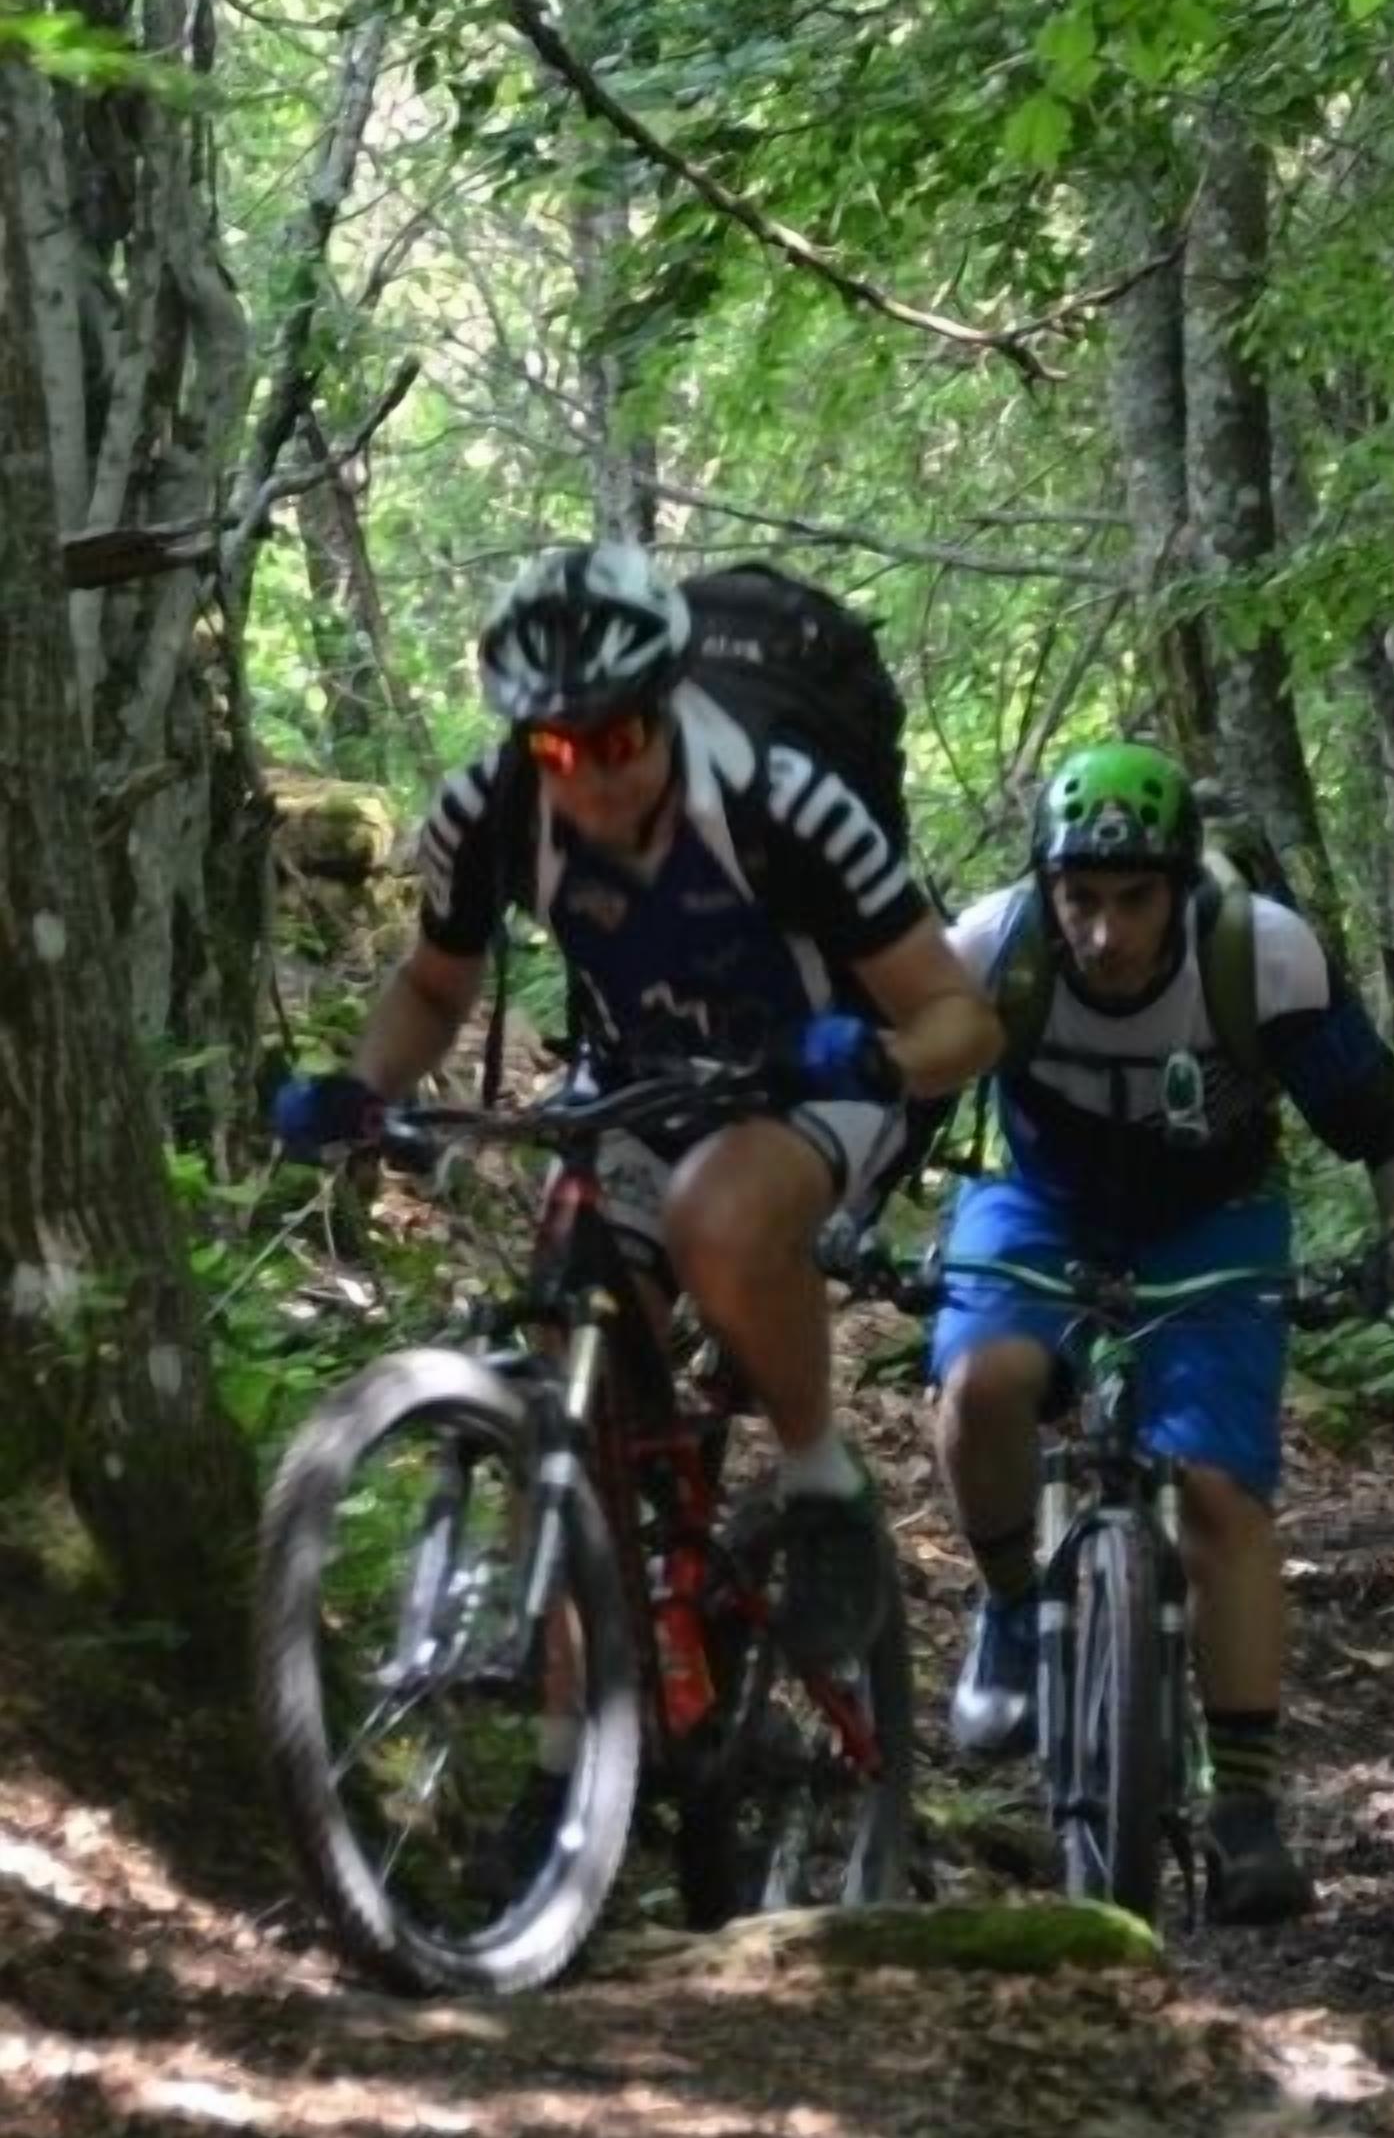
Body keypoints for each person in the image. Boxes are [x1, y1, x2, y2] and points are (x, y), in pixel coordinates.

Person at [270, 539, 1002, 1690]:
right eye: (559, 746)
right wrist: (366, 1090)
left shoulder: (785, 802)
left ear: (666, 707)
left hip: (822, 1076)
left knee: (720, 1212)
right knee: (576, 1384)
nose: (592, 773)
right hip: (636, 1081)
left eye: (618, 737)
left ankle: (821, 1484)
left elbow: (963, 1020)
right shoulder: (489, 812)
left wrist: (873, 1054)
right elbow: (431, 985)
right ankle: (581, 1765)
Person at [931, 737, 1394, 1925]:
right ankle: (1011, 1610)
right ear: (1048, 888)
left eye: (1135, 899)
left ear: (1180, 886)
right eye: (1082, 899)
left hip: (1215, 1218)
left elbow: (1387, 1125)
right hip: (1037, 1202)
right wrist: (844, 1212)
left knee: (1219, 1489)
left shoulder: (1256, 955)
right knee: (981, 1385)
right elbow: (899, 1108)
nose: (1106, 931)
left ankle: (1248, 1809)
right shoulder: (989, 949)